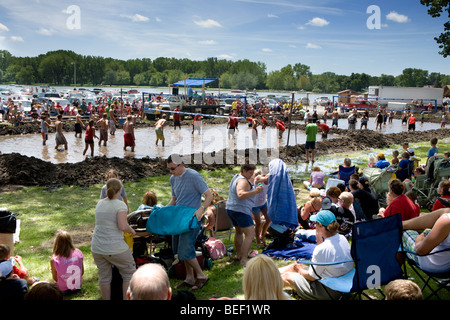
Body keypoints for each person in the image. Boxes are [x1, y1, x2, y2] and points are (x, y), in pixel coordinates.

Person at [279, 210, 353, 300]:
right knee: (293, 267)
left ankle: (263, 286)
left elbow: (312, 278)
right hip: (343, 284)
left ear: (320, 226)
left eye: (316, 224)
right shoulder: (342, 239)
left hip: (329, 290)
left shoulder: (322, 248)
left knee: (287, 276)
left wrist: (298, 269)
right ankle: (265, 276)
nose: (314, 226)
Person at [166, 155, 213, 290]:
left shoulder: (194, 176)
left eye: (173, 168)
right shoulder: (173, 179)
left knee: (185, 250)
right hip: (178, 220)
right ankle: (189, 278)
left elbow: (209, 195)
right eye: (169, 169)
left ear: (180, 164)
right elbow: (174, 199)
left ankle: (201, 276)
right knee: (180, 252)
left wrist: (201, 209)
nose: (171, 171)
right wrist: (163, 210)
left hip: (192, 220)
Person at [91, 178, 137, 300]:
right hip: (114, 247)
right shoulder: (120, 204)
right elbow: (122, 226)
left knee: (104, 277)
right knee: (129, 273)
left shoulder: (100, 203)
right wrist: (132, 230)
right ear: (120, 190)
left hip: (97, 247)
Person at [226, 163, 264, 267]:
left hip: (231, 208)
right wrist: (256, 191)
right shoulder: (242, 180)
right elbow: (241, 194)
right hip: (240, 210)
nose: (251, 175)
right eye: (250, 173)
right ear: (243, 171)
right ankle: (244, 259)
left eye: (252, 173)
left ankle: (238, 255)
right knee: (250, 234)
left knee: (238, 232)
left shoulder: (236, 177)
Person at [402, 208, 450, 273]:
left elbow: (421, 251)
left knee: (402, 232)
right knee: (445, 211)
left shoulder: (447, 220)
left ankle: (392, 275)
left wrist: (420, 238)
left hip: (434, 265)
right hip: (447, 265)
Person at [50, 230, 84, 296]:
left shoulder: (54, 260)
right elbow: (82, 272)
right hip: (77, 287)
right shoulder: (78, 253)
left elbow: (55, 279)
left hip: (63, 290)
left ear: (56, 243)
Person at [252, 169, 270, 247]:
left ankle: (262, 236)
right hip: (255, 205)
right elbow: (261, 179)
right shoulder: (258, 178)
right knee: (258, 223)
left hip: (263, 203)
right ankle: (258, 241)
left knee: (269, 219)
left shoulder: (270, 180)